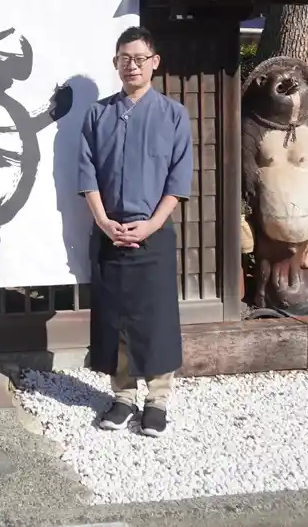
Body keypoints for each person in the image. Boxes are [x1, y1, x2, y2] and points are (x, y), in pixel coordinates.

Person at [78, 25, 193, 437]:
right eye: (125, 58)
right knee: (115, 319)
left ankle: (157, 399)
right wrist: (103, 221)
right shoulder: (98, 114)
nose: (132, 66)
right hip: (109, 232)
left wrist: (150, 224)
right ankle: (122, 395)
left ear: (154, 63)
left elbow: (178, 183)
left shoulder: (174, 115)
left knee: (156, 319)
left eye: (140, 58)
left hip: (153, 232)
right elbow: (87, 173)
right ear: (115, 63)